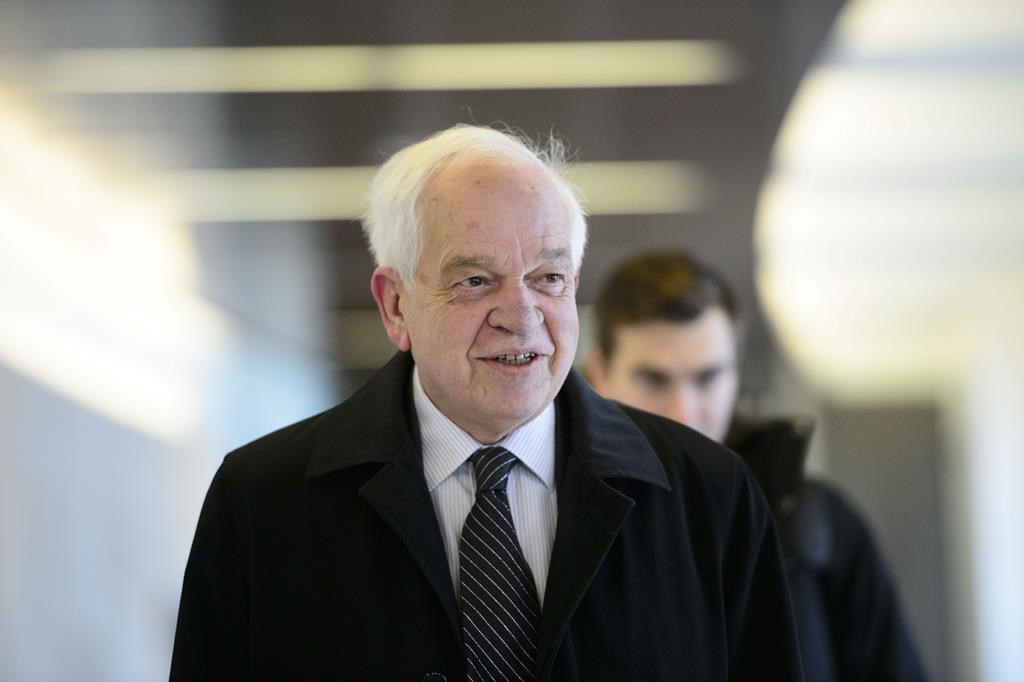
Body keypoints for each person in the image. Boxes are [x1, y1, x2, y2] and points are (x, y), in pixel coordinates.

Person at [170, 126, 804, 681]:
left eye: (547, 278)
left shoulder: (708, 495)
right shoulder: (263, 501)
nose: (521, 316)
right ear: (396, 306)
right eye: (475, 280)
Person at [587, 250, 928, 682]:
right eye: (653, 380)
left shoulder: (819, 522)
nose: (683, 412)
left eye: (707, 378)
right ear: (599, 374)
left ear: (735, 375)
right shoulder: (558, 518)